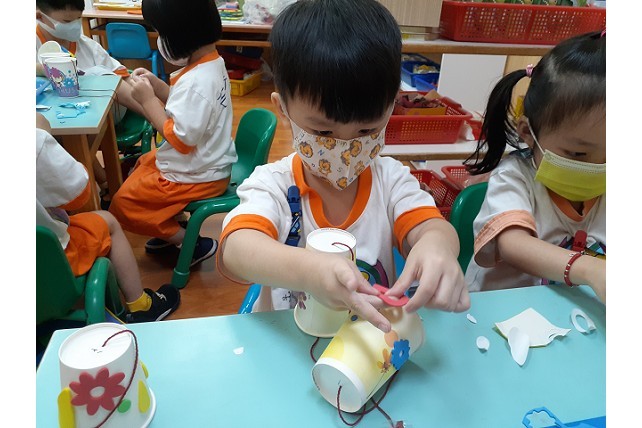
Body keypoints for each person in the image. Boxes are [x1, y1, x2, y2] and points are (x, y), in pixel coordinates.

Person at [219, 0, 469, 333]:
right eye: (323, 133)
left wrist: (437, 246)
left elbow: (432, 228)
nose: (346, 149)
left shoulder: (392, 181)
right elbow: (236, 248)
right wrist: (308, 271)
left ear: (391, 107)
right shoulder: (273, 184)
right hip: (289, 337)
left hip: (368, 342)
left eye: (367, 130)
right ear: (284, 110)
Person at [463, 31, 606, 303]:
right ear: (528, 132)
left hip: (570, 312)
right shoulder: (514, 178)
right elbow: (512, 243)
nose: (599, 168)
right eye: (578, 153)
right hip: (497, 310)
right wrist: (589, 269)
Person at [108, 0, 237, 267]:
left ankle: (189, 242)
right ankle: (170, 225)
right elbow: (188, 112)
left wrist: (147, 101)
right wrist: (158, 88)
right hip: (205, 164)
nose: (159, 40)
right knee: (142, 165)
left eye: (160, 32)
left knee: (124, 204)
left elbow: (180, 139)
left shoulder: (197, 82)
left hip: (198, 174)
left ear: (181, 34)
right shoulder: (212, 63)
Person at [36, 113, 180, 323]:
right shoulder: (35, 141)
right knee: (108, 220)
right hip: (51, 264)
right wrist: (44, 137)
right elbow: (80, 196)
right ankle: (141, 305)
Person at [35, 0, 148, 203]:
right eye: (67, 21)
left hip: (100, 114)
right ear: (40, 17)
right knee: (65, 139)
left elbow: (121, 77)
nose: (74, 26)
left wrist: (149, 100)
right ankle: (104, 186)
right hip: (58, 123)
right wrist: (41, 69)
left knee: (102, 74)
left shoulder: (87, 46)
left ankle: (159, 117)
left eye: (78, 19)